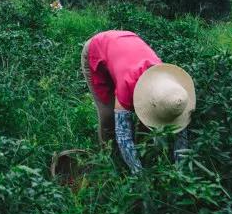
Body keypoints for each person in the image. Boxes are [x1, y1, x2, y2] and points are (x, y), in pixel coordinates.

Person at [81, 30, 196, 173]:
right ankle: (107, 157)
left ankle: (140, 150)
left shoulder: (175, 93)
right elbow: (123, 134)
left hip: (126, 44)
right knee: (108, 116)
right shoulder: (128, 84)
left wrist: (181, 171)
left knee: (146, 122)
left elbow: (181, 136)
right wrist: (139, 175)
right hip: (97, 49)